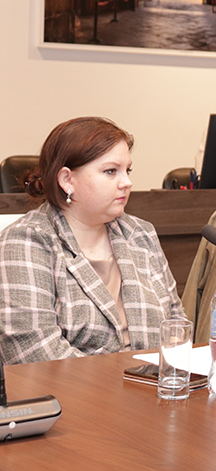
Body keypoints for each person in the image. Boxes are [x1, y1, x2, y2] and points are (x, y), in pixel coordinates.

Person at [0, 117, 185, 364]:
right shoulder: (25, 242)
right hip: (74, 388)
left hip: (154, 383)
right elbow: (33, 353)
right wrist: (123, 381)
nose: (127, 182)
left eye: (127, 170)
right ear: (67, 180)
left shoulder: (140, 234)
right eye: (111, 171)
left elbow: (176, 325)